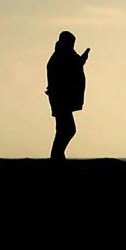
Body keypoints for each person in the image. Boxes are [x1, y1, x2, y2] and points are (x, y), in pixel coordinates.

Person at [46, 31, 89, 160]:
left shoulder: (64, 55)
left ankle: (57, 155)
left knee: (65, 129)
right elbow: (67, 72)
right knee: (67, 129)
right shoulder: (60, 56)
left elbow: (73, 66)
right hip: (60, 99)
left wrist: (81, 60)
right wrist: (80, 61)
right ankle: (56, 155)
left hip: (61, 99)